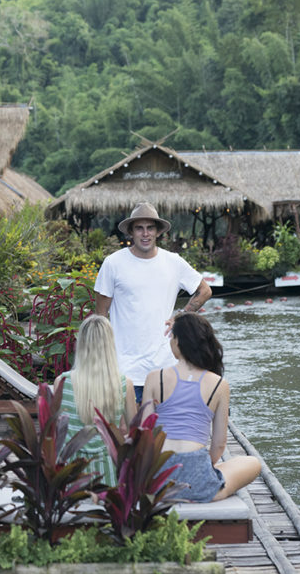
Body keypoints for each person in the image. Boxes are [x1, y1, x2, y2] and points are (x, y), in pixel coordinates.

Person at [94, 202, 212, 403]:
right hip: (124, 369)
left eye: (150, 228)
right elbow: (99, 316)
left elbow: (205, 290)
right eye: (139, 228)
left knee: (163, 432)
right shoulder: (113, 263)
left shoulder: (173, 262)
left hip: (164, 367)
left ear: (158, 232)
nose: (145, 234)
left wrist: (181, 315)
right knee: (126, 432)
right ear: (130, 232)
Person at [142, 312, 261, 502]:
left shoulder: (155, 378)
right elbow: (219, 444)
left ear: (179, 341)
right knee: (252, 463)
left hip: (159, 481)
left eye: (172, 336)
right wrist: (199, 469)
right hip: (197, 482)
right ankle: (201, 479)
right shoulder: (219, 384)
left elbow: (145, 434)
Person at [54, 314, 137, 486]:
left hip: (69, 475)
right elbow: (135, 433)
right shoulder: (123, 384)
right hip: (107, 474)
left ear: (81, 344)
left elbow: (55, 429)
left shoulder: (62, 382)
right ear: (110, 345)